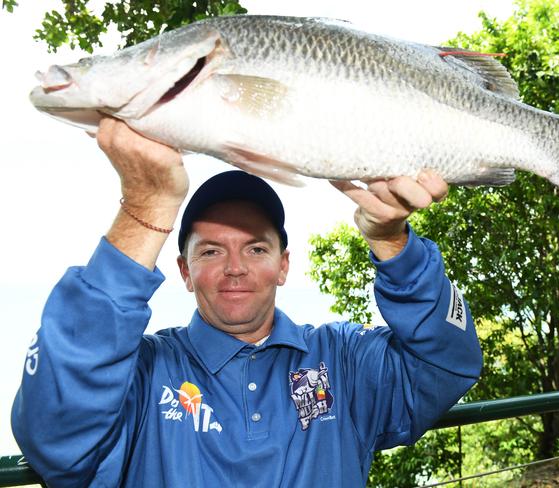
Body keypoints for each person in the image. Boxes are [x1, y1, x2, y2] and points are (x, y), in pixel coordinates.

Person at [12, 117, 482, 487]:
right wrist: (147, 205)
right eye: (212, 251)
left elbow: (448, 365)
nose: (235, 267)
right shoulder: (143, 372)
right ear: (184, 273)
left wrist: (392, 242)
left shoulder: (343, 360)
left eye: (256, 248)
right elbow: (54, 435)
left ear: (283, 265)